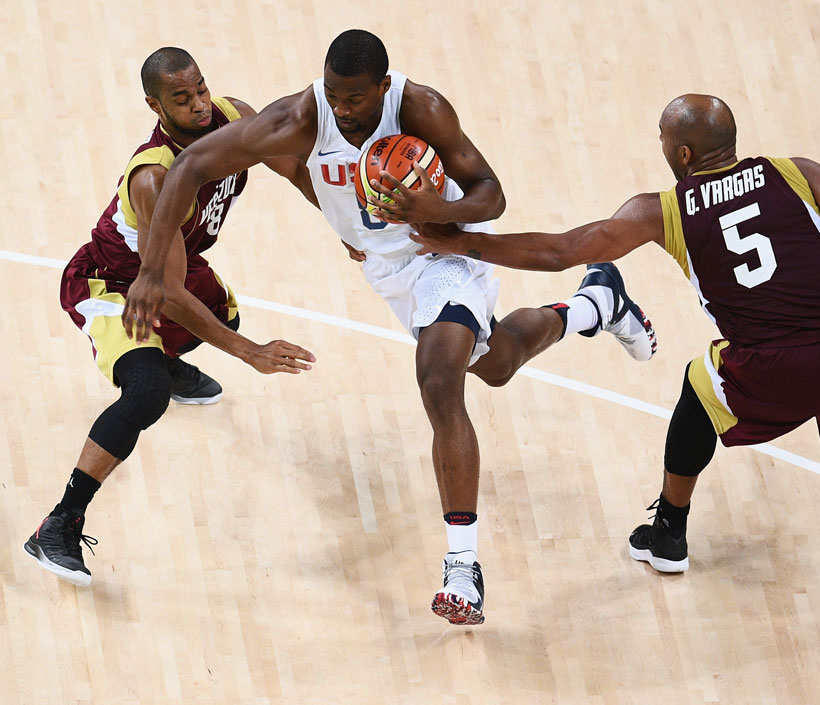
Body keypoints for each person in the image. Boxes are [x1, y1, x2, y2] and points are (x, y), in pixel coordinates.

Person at [120, 30, 657, 624]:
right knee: (496, 364)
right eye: (332, 95)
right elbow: (192, 164)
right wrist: (149, 271)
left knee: (438, 379)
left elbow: (491, 194)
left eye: (353, 98)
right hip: (387, 268)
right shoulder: (304, 115)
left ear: (381, 87)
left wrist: (440, 212)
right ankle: (594, 306)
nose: (341, 110)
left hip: (446, 249)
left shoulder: (421, 107)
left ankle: (462, 569)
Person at [411, 94, 820, 573]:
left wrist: (462, 244)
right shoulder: (796, 173)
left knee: (700, 389)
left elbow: (563, 251)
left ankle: (669, 532)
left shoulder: (665, 210)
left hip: (769, 367)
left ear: (683, 154)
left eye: (663, 138)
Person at [24, 48, 316, 587]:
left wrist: (350, 222)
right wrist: (252, 352)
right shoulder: (154, 178)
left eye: (202, 88)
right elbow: (170, 292)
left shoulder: (232, 116)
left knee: (224, 310)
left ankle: (167, 355)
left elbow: (293, 164)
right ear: (155, 107)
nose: (201, 104)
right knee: (147, 393)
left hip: (178, 268)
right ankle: (59, 524)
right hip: (118, 283)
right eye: (183, 99)